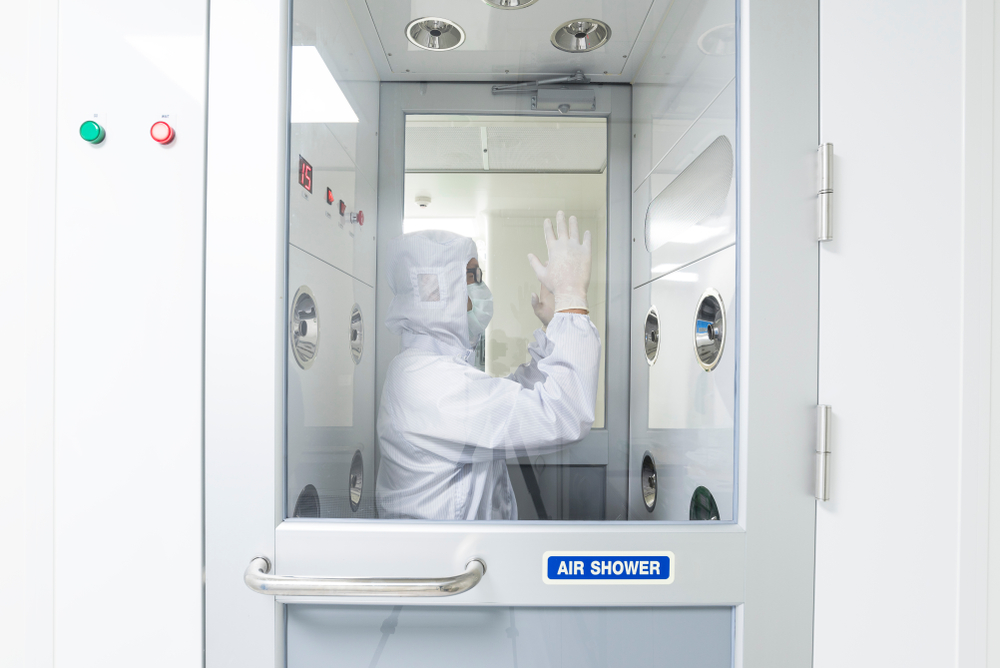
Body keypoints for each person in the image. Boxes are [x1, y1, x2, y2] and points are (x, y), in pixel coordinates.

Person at [376, 211, 601, 520]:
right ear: (435, 291)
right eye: (472, 277)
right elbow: (564, 415)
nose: (481, 290)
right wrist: (572, 300)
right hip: (447, 562)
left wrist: (554, 327)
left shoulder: (428, 371)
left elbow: (515, 395)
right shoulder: (431, 383)